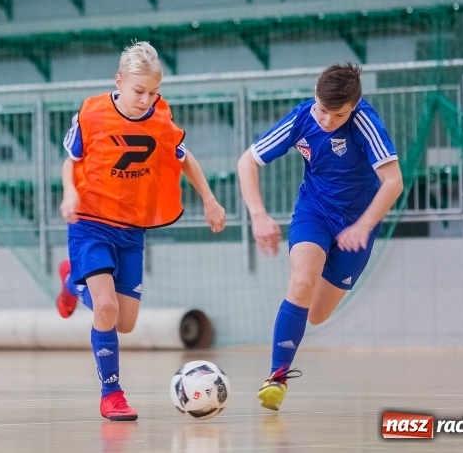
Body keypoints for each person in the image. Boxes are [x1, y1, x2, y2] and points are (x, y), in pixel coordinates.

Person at [55, 41, 226, 421]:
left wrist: (210, 200)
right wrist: (69, 192)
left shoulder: (160, 119)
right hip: (90, 223)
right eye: (138, 91)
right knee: (106, 306)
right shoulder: (92, 112)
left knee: (125, 323)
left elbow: (185, 158)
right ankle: (111, 393)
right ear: (119, 81)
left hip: (131, 229)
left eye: (152, 92)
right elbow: (72, 161)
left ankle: (71, 282)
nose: (145, 99)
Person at [236, 62, 403, 411]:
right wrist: (259, 216)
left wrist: (363, 225)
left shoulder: (364, 123)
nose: (327, 120)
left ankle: (293, 328)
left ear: (353, 107)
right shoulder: (302, 118)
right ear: (315, 96)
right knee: (301, 283)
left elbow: (393, 182)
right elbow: (247, 162)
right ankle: (275, 379)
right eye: (323, 111)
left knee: (317, 314)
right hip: (314, 214)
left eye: (337, 115)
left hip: (358, 225)